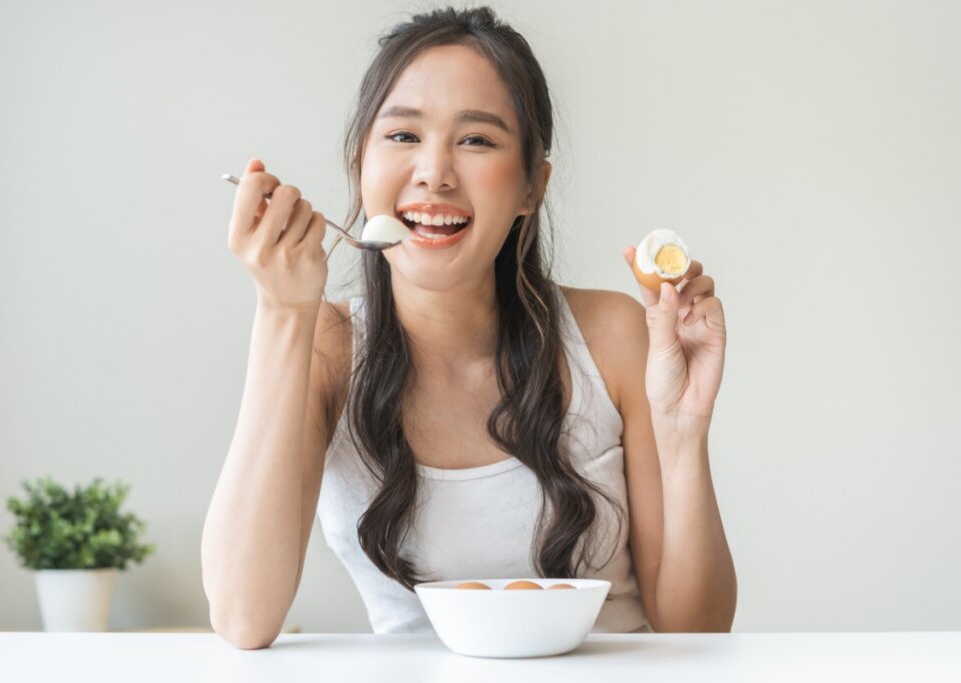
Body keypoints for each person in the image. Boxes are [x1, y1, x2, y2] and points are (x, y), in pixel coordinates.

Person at [201, 6, 736, 650]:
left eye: (477, 140)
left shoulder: (614, 336)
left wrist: (683, 430)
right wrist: (284, 311)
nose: (435, 172)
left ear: (532, 187)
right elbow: (242, 617)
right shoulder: (325, 348)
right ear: (360, 164)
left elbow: (697, 632)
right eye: (403, 135)